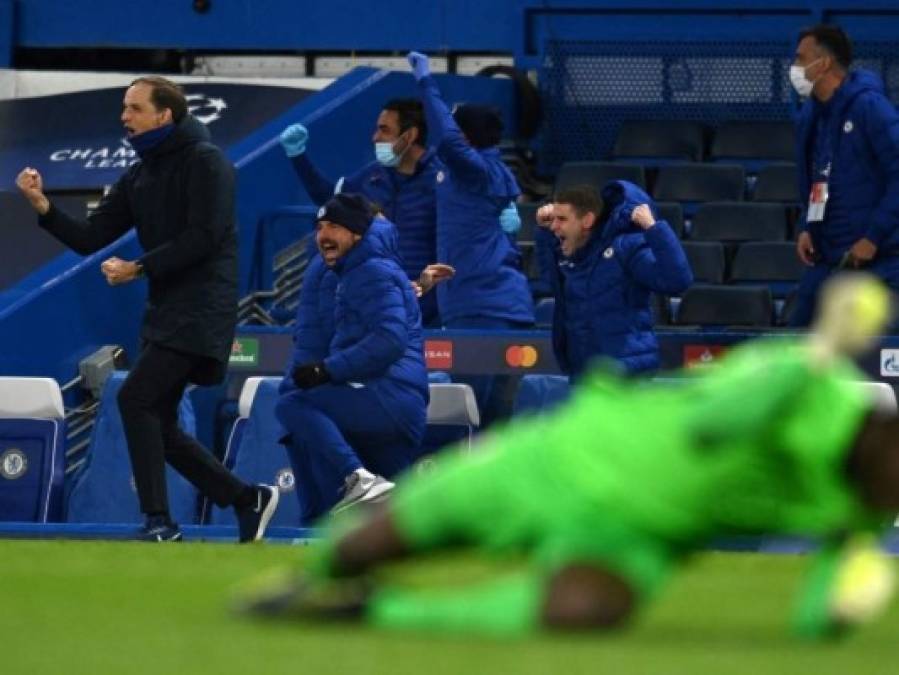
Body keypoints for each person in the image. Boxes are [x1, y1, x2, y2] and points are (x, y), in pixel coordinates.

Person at [240, 274, 899, 640]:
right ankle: (318, 571)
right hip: (567, 456)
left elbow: (816, 618)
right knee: (393, 536)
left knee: (581, 614)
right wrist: (811, 356)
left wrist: (843, 608)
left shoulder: (863, 505)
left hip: (635, 535)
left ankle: (375, 613)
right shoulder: (797, 376)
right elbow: (714, 424)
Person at [15, 76, 278, 542]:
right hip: (165, 311)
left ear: (165, 115)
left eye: (134, 108)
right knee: (156, 419)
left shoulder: (207, 162)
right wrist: (43, 207)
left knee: (135, 399)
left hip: (202, 309)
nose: (124, 116)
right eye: (124, 107)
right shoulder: (139, 173)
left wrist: (138, 268)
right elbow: (91, 238)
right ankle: (245, 498)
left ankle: (159, 522)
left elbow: (206, 235)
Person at [275, 193, 429, 523]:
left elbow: (384, 338)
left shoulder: (362, 270)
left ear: (359, 233)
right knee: (393, 519)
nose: (323, 235)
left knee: (292, 405)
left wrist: (322, 372)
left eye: (334, 226)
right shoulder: (371, 268)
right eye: (320, 227)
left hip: (381, 396)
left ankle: (356, 477)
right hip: (387, 399)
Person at [407, 51, 535, 426]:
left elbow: (446, 139)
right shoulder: (488, 171)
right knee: (494, 424)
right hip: (498, 307)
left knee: (470, 420)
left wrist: (425, 82)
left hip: (484, 309)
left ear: (465, 136)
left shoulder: (474, 170)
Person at [279, 99, 444, 326]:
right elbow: (328, 199)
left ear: (410, 135)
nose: (375, 138)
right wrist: (298, 156)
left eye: (384, 130)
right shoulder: (372, 177)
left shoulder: (442, 180)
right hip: (377, 311)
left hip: (428, 315)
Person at [789, 24, 899, 327]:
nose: (794, 68)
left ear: (823, 63)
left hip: (879, 260)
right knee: (797, 341)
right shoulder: (814, 114)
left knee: (866, 357)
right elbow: (820, 178)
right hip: (829, 257)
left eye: (800, 59)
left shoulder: (870, 107)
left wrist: (873, 238)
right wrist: (807, 226)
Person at [536, 183, 692, 379]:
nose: (554, 225)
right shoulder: (574, 256)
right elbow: (549, 282)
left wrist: (654, 228)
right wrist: (544, 234)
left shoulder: (626, 248)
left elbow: (677, 280)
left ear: (587, 220)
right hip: (584, 374)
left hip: (627, 376)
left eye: (562, 219)